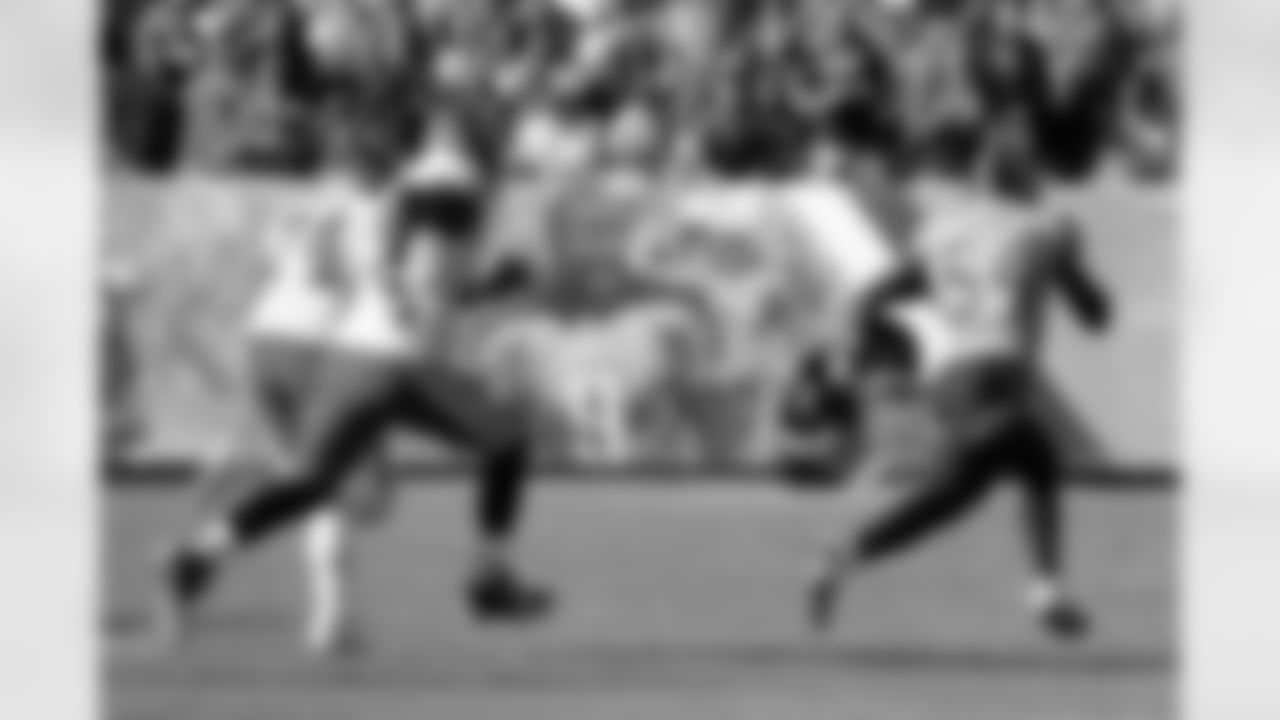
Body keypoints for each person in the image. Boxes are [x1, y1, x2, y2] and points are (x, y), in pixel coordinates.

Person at [154, 116, 553, 656]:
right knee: (510, 438)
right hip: (400, 361)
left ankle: (199, 553)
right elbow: (424, 238)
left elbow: (429, 272)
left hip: (349, 354)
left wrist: (474, 287)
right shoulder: (450, 176)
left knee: (314, 482)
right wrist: (481, 280)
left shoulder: (409, 190)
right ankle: (488, 578)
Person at [805, 127, 1114, 640]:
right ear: (1027, 178)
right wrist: (1072, 267)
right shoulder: (1043, 227)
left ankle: (843, 553)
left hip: (948, 378)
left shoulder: (945, 229)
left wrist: (874, 359)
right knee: (1029, 448)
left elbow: (870, 299)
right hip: (993, 373)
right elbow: (1098, 315)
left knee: (958, 494)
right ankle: (1044, 593)